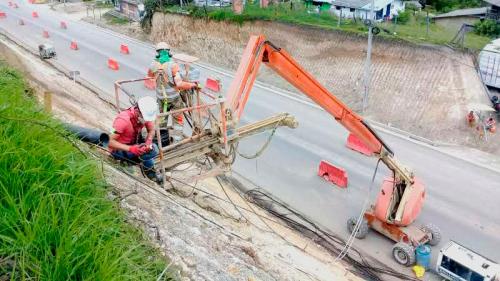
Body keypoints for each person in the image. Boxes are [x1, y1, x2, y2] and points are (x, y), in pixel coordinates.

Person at [148, 42, 199, 143]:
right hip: (174, 99)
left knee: (162, 120)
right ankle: (177, 141)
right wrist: (192, 85)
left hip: (161, 99)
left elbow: (150, 76)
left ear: (157, 53)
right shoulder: (172, 65)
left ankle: (162, 141)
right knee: (178, 120)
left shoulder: (153, 64)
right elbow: (179, 84)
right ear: (168, 52)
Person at [108, 96, 162, 184]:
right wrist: (131, 149)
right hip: (119, 150)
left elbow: (151, 130)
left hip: (133, 144)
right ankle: (126, 162)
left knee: (151, 150)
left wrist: (148, 141)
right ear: (137, 110)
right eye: (144, 117)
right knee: (149, 152)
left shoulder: (144, 116)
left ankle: (152, 175)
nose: (145, 121)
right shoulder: (122, 120)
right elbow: (109, 141)